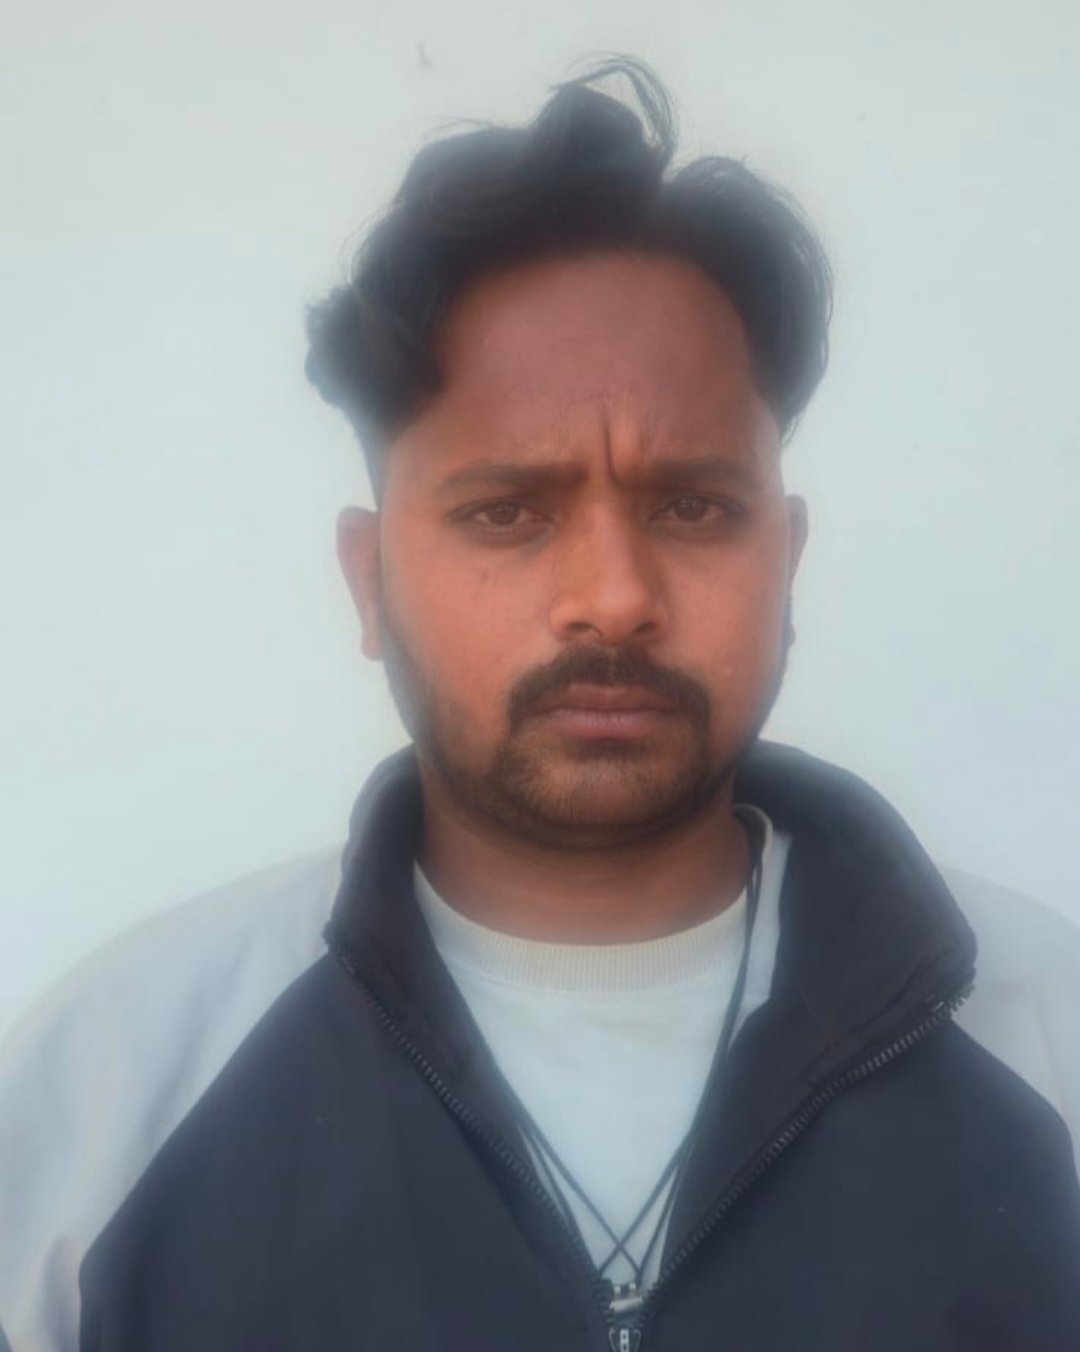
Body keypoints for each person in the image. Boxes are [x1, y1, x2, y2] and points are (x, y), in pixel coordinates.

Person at [2, 54, 1079, 1352]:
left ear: (787, 563)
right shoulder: (106, 1094)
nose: (614, 598)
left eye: (694, 507)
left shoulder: (1047, 1042)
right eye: (508, 511)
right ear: (370, 579)